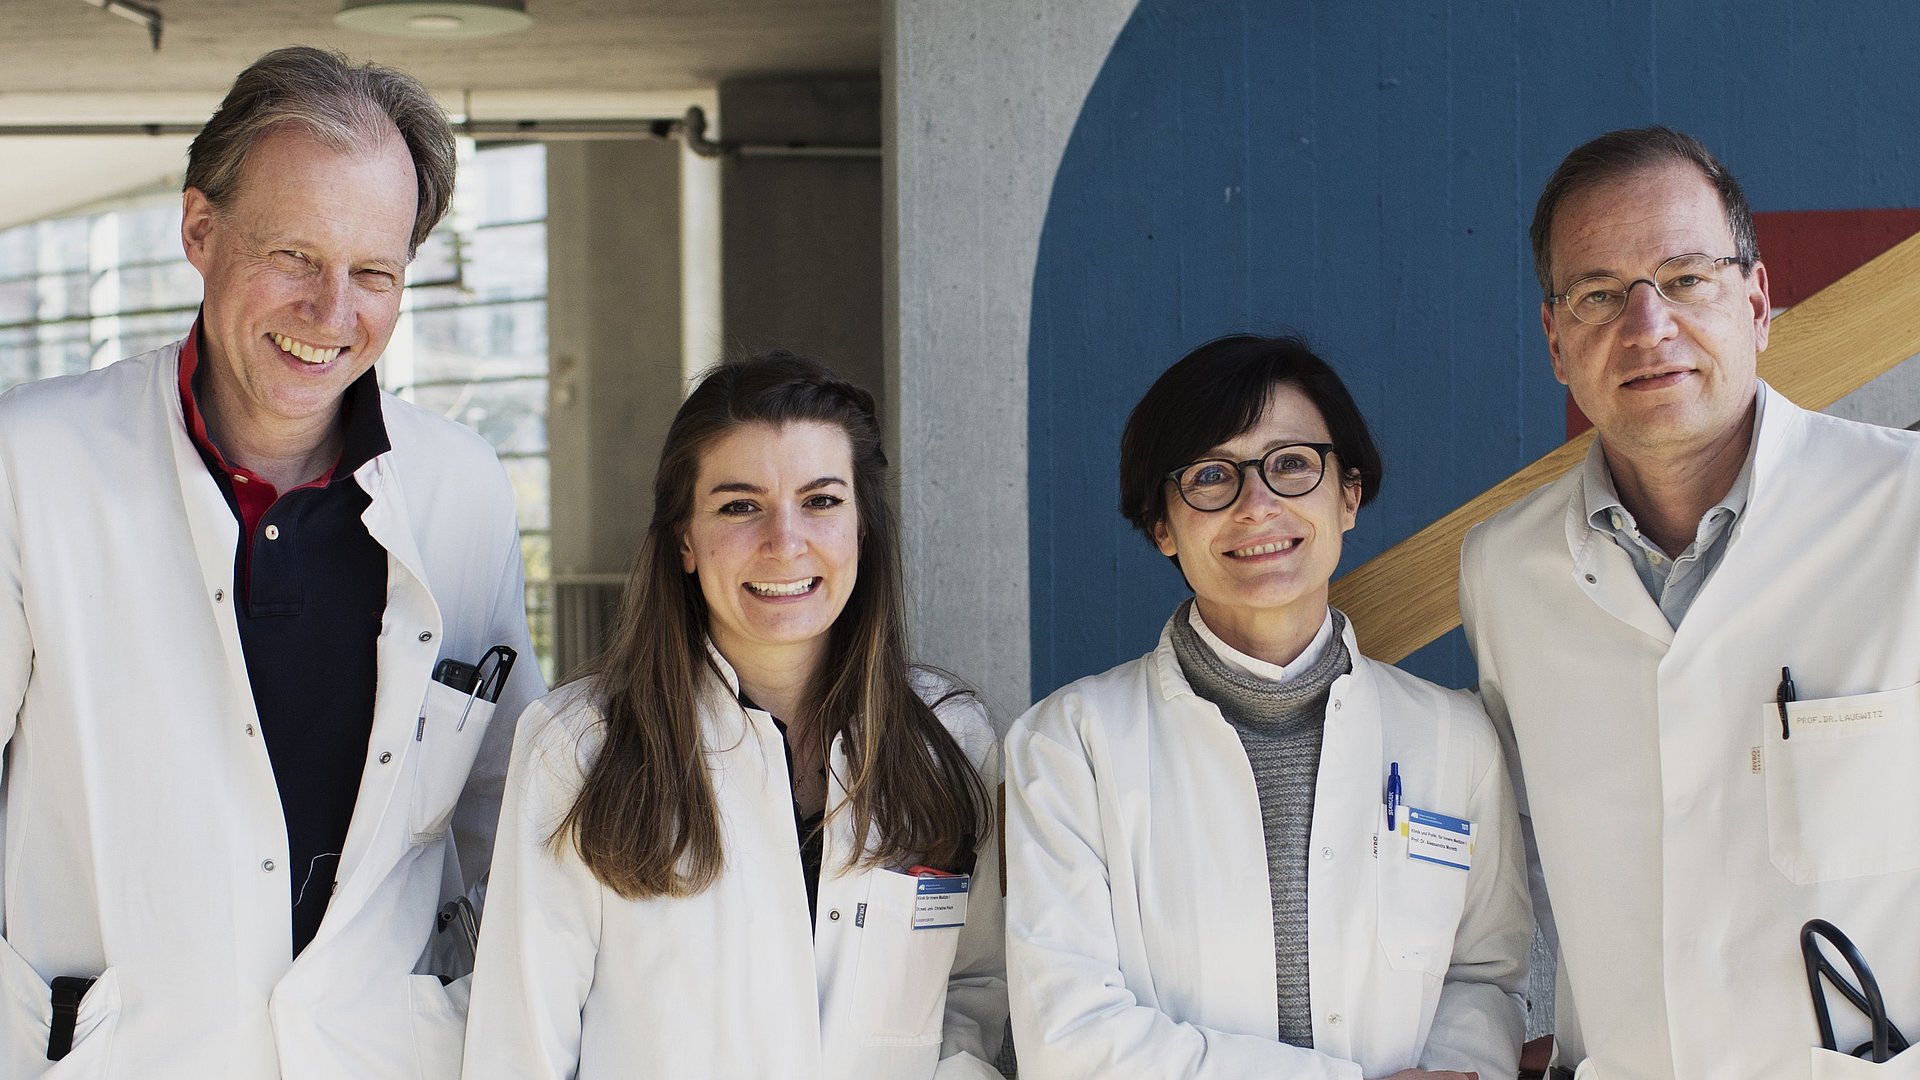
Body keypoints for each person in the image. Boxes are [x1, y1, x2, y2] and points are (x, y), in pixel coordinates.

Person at [0, 46, 542, 1079]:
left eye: (373, 272)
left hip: (386, 1056)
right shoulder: (32, 463)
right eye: (294, 256)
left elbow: (502, 806)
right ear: (201, 232)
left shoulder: (461, 489)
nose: (332, 312)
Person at [1460, 126, 1920, 1078]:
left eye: (1685, 279)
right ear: (1555, 341)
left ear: (1756, 301)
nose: (1647, 327)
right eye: (1597, 295)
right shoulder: (1503, 574)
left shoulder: (1906, 512)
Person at [463, 352, 1006, 1079]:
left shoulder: (951, 738)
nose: (786, 542)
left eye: (821, 501)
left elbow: (972, 991)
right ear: (684, 539)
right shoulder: (579, 748)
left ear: (862, 528)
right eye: (739, 505)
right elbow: (520, 1047)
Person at [1005, 334, 1531, 1080]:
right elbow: (1071, 1036)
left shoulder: (1453, 738)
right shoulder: (1069, 747)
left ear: (1347, 495)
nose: (1257, 506)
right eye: (1212, 476)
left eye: (1291, 465)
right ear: (1162, 525)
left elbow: (1484, 974)